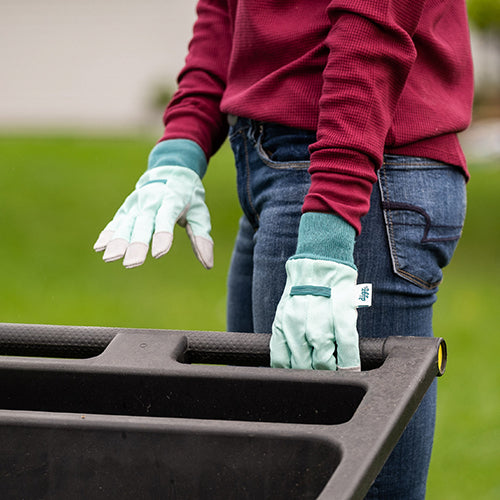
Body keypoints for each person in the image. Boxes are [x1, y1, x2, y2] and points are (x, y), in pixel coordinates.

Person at [94, 1, 474, 497]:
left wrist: (328, 235)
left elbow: (371, 32)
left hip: (358, 174)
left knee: (323, 480)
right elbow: (223, 19)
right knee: (263, 467)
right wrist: (178, 152)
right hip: (273, 167)